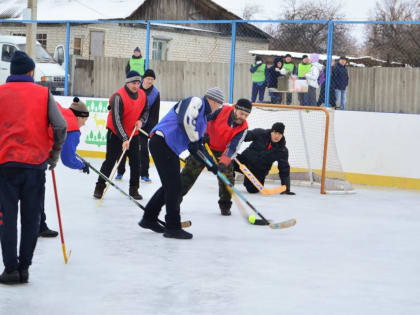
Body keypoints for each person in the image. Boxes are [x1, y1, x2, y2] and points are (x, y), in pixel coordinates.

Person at [0, 51, 67, 284]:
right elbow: (60, 126)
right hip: (35, 166)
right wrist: (54, 155)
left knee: (6, 219)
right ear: (30, 72)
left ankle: (10, 270)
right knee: (31, 219)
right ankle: (24, 268)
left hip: (5, 166)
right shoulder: (43, 93)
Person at [138, 87, 224, 240]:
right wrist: (197, 143)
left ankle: (149, 218)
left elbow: (194, 148)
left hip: (168, 148)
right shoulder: (196, 102)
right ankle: (172, 227)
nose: (217, 108)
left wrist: (211, 165)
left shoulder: (203, 119)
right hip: (162, 142)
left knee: (170, 186)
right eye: (218, 105)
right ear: (213, 100)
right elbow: (185, 121)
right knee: (174, 187)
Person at [181, 98, 252, 216]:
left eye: (246, 115)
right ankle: (175, 199)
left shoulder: (243, 127)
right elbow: (202, 118)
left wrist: (224, 163)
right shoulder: (222, 110)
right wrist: (201, 133)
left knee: (227, 178)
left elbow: (233, 148)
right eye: (241, 113)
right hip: (205, 145)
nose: (243, 117)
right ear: (236, 109)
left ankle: (225, 205)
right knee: (189, 172)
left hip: (223, 151)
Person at [38, 97, 90, 238]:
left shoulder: (60, 110)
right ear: (79, 117)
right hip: (35, 155)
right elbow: (68, 160)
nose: (83, 124)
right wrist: (82, 165)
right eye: (84, 121)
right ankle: (39, 226)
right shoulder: (72, 128)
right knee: (35, 192)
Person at [93, 71, 148, 200]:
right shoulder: (119, 96)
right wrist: (124, 138)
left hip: (133, 133)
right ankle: (99, 187)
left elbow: (146, 111)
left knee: (135, 162)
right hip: (116, 133)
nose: (136, 86)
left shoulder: (142, 95)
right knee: (110, 161)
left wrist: (141, 120)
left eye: (138, 83)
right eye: (133, 83)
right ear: (127, 82)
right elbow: (116, 120)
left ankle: (134, 190)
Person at [116, 69, 160, 183]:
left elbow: (154, 114)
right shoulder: (135, 88)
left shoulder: (155, 94)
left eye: (152, 79)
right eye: (148, 78)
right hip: (129, 124)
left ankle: (144, 174)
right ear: (143, 79)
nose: (150, 81)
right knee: (124, 148)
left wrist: (149, 129)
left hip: (144, 127)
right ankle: (120, 171)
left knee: (143, 150)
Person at [236, 122, 295, 195]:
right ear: (271, 131)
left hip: (258, 171)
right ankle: (229, 181)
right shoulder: (260, 133)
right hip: (244, 161)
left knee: (252, 190)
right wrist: (232, 138)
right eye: (275, 132)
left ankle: (249, 181)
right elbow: (244, 136)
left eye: (279, 134)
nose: (277, 136)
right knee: (227, 159)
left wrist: (286, 188)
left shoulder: (282, 150)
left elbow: (284, 170)